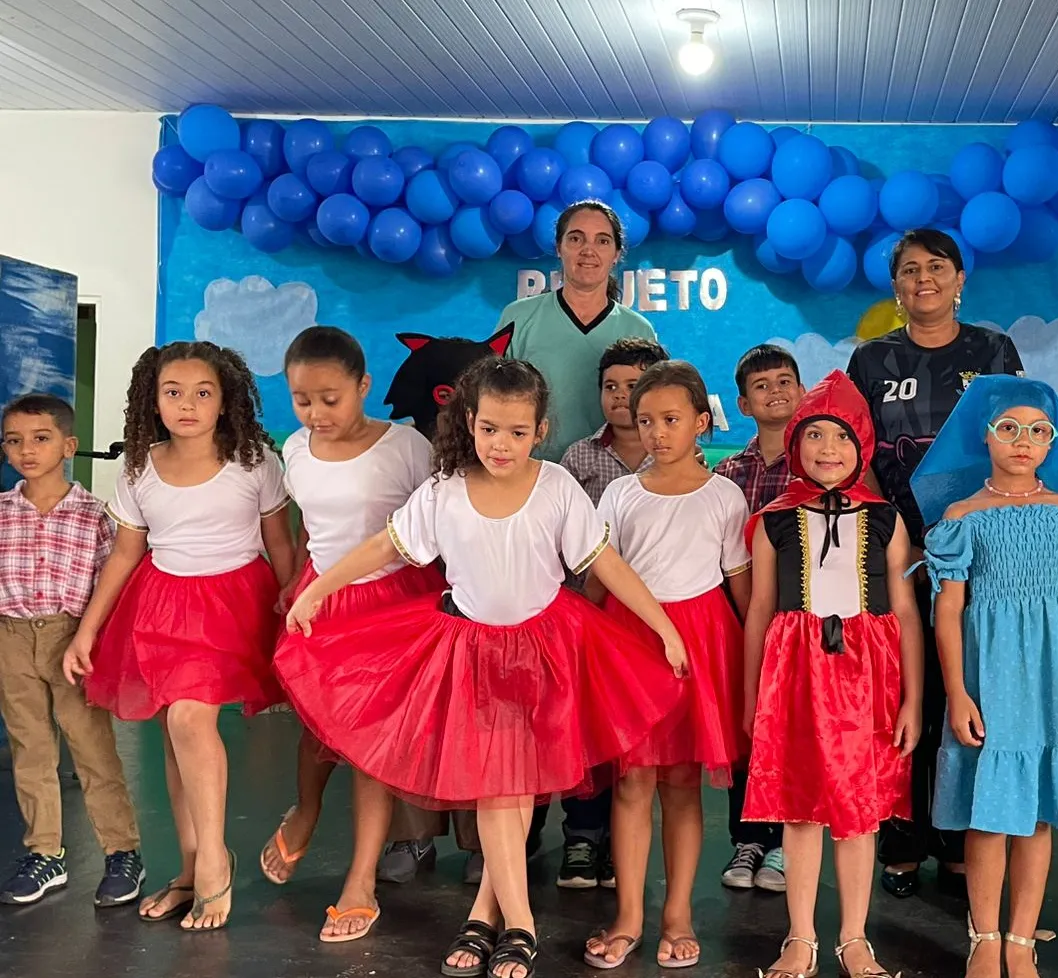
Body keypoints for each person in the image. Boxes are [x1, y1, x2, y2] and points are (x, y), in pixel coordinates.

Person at [281, 356, 688, 978]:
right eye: (491, 429)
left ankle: (499, 918)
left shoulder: (555, 487)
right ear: (470, 422)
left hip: (545, 652)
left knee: (510, 790)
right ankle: (506, 918)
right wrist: (316, 590)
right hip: (472, 654)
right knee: (503, 790)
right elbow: (385, 546)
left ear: (540, 431)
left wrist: (662, 626)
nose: (503, 444)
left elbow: (604, 563)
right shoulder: (443, 490)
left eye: (518, 432)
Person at [63, 341, 295, 931]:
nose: (187, 404)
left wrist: (296, 607)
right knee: (174, 735)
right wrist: (86, 631)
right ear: (153, 400)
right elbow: (123, 555)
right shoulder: (139, 468)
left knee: (191, 720)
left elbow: (282, 543)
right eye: (173, 393)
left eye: (202, 392)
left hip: (233, 604)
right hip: (162, 605)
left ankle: (215, 863)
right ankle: (191, 870)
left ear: (225, 401)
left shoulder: (253, 462)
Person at [911, 376, 1058, 978]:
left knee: (1037, 813)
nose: (1023, 441)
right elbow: (947, 609)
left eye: (1038, 431)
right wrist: (957, 691)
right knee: (989, 812)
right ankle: (985, 937)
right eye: (1009, 428)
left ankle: (1022, 939)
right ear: (987, 436)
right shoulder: (963, 516)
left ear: (1052, 444)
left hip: (1053, 677)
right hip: (988, 675)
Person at [846, 228, 1024, 898]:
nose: (923, 279)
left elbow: (1017, 441)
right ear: (896, 287)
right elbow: (856, 459)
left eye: (936, 267)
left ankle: (956, 838)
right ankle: (901, 839)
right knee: (899, 699)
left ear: (960, 279)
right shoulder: (871, 360)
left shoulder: (992, 351)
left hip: (980, 554)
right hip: (897, 553)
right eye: (910, 270)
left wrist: (979, 538)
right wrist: (899, 541)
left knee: (964, 693)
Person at [260, 327, 447, 941]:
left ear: (363, 387)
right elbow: (307, 525)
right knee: (318, 727)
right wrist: (296, 584)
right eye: (302, 400)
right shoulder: (293, 450)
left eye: (331, 399)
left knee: (370, 747)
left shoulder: (406, 446)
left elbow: (435, 524)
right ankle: (306, 809)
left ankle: (360, 879)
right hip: (324, 599)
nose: (316, 414)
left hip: (394, 603)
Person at [743, 371, 924, 978]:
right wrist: (751, 698)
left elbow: (904, 613)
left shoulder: (888, 521)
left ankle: (853, 938)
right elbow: (760, 613)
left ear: (862, 445)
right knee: (799, 809)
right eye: (814, 434)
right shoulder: (771, 520)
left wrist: (913, 701)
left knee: (858, 810)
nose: (827, 449)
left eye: (841, 438)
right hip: (793, 676)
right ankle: (800, 937)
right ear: (795, 441)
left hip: (868, 679)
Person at [583, 361, 751, 970]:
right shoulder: (620, 493)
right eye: (645, 420)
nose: (656, 432)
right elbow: (606, 582)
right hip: (632, 647)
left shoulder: (724, 495)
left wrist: (755, 663)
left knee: (682, 784)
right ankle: (629, 913)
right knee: (631, 782)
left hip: (702, 646)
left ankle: (677, 912)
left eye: (671, 419)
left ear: (702, 424)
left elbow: (741, 589)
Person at [0, 394, 143, 907]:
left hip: (72, 638)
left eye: (41, 438)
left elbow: (115, 583)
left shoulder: (93, 516)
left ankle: (122, 852)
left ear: (69, 445)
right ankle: (45, 853)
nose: (27, 450)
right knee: (30, 749)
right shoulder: (1, 512)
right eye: (14, 441)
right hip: (11, 638)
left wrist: (97, 640)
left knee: (92, 748)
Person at [539, 336, 669, 892]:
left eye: (634, 387)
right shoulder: (577, 458)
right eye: (611, 387)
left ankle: (625, 842)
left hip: (653, 618)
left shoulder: (672, 459)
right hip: (590, 615)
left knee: (640, 737)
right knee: (588, 728)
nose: (621, 398)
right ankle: (582, 838)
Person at [712, 343, 804, 893]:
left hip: (804, 619)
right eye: (762, 385)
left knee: (795, 729)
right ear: (744, 404)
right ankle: (748, 837)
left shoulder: (820, 462)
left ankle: (787, 844)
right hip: (741, 618)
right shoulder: (726, 474)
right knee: (746, 726)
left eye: (784, 380)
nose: (775, 391)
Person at [496, 199, 658, 462]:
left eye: (602, 241)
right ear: (559, 248)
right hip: (532, 473)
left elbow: (654, 411)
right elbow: (492, 401)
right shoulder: (518, 317)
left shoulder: (638, 329)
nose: (588, 250)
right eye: (576, 239)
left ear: (617, 253)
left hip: (612, 477)